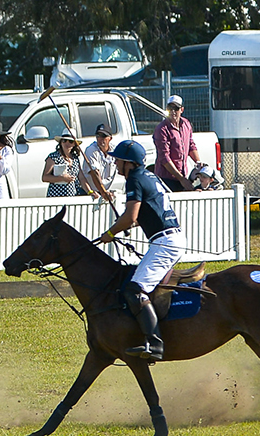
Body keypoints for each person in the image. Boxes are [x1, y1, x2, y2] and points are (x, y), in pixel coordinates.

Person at [95, 141, 180, 360]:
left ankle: (155, 344)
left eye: (118, 160)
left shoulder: (134, 178)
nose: (115, 162)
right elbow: (139, 216)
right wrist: (125, 223)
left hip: (165, 242)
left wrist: (111, 233)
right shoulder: (150, 176)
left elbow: (131, 217)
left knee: (134, 290)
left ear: (128, 163)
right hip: (168, 239)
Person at [153, 95, 200, 192]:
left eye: (176, 108)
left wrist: (198, 163)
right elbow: (164, 157)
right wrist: (181, 179)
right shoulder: (161, 129)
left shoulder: (186, 124)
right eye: (170, 108)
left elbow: (191, 145)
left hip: (182, 176)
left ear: (182, 110)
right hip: (166, 179)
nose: (173, 111)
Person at [81, 124, 119, 201]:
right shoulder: (91, 150)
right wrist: (103, 192)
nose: (100, 139)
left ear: (110, 138)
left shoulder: (115, 150)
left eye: (103, 136)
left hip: (108, 193)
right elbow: (94, 173)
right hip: (92, 193)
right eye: (98, 136)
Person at [42, 130, 84, 197]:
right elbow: (45, 177)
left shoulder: (75, 158)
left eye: (70, 141)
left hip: (73, 196)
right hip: (56, 197)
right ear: (61, 142)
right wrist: (62, 178)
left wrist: (90, 192)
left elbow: (81, 178)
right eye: (64, 141)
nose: (67, 143)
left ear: (74, 144)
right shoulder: (53, 157)